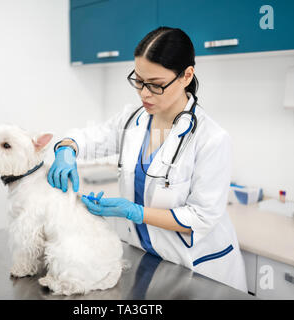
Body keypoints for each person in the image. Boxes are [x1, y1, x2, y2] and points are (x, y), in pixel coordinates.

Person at [47, 27, 247, 293]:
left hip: (197, 270)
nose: (144, 94)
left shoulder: (211, 138)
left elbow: (201, 217)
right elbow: (94, 137)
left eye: (155, 84)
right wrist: (67, 148)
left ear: (186, 75)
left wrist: (136, 213)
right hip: (150, 260)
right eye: (138, 81)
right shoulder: (133, 118)